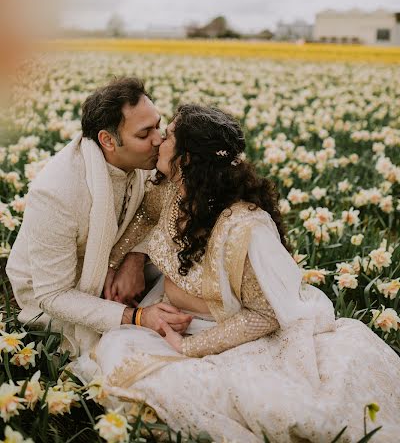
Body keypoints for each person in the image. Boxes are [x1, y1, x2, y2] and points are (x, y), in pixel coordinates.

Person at [73, 105, 400, 442]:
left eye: (167, 134)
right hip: (176, 317)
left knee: (187, 387)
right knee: (114, 348)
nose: (158, 139)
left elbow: (263, 314)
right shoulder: (173, 191)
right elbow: (145, 216)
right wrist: (124, 260)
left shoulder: (244, 228)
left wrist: (190, 348)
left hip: (228, 333)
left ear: (185, 160)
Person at [6, 77, 191, 357]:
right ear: (107, 140)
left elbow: (153, 211)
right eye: (144, 134)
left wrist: (132, 259)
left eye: (158, 125)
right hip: (56, 290)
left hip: (114, 260)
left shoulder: (145, 158)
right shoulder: (57, 193)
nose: (159, 140)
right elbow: (52, 295)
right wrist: (137, 317)